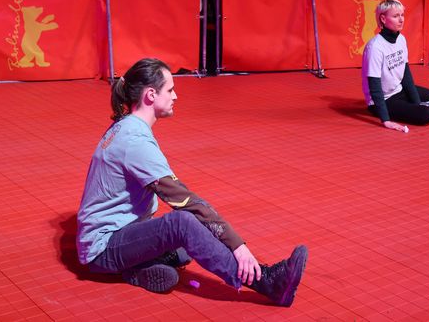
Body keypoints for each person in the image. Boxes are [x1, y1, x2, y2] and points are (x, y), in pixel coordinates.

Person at [76, 58, 308, 307]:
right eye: (170, 90)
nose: (175, 96)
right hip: (102, 250)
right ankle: (267, 282)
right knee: (185, 225)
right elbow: (186, 203)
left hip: (120, 234)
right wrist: (238, 246)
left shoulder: (125, 127)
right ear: (151, 95)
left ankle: (136, 270)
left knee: (196, 244)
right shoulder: (135, 142)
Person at [362, 0, 429, 131]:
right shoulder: (374, 47)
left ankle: (414, 106)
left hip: (399, 90)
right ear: (383, 19)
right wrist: (386, 120)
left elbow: (406, 75)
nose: (401, 20)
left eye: (402, 15)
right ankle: (413, 108)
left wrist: (416, 103)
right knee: (427, 114)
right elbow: (374, 86)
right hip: (384, 99)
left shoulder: (401, 39)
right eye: (396, 16)